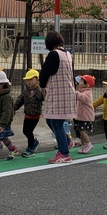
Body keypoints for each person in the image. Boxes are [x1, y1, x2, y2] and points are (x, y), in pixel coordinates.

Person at [39, 31, 76, 164]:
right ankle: (66, 142)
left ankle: (64, 153)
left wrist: (42, 86)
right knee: (51, 120)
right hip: (67, 92)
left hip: (57, 92)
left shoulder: (53, 54)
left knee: (56, 123)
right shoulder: (67, 54)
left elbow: (45, 72)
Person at [12, 69, 44, 158]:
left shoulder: (39, 90)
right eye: (27, 80)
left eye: (31, 79)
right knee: (25, 131)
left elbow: (43, 98)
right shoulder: (26, 90)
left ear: (37, 80)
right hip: (27, 114)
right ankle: (34, 142)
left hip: (35, 115)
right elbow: (20, 100)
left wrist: (40, 91)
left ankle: (30, 148)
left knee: (29, 131)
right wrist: (14, 108)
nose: (28, 82)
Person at [74, 75, 96, 154]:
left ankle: (88, 144)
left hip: (86, 116)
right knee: (80, 131)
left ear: (87, 84)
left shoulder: (87, 92)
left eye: (81, 81)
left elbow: (83, 98)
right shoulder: (81, 90)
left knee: (82, 131)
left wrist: (76, 93)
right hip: (81, 116)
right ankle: (83, 145)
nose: (79, 82)